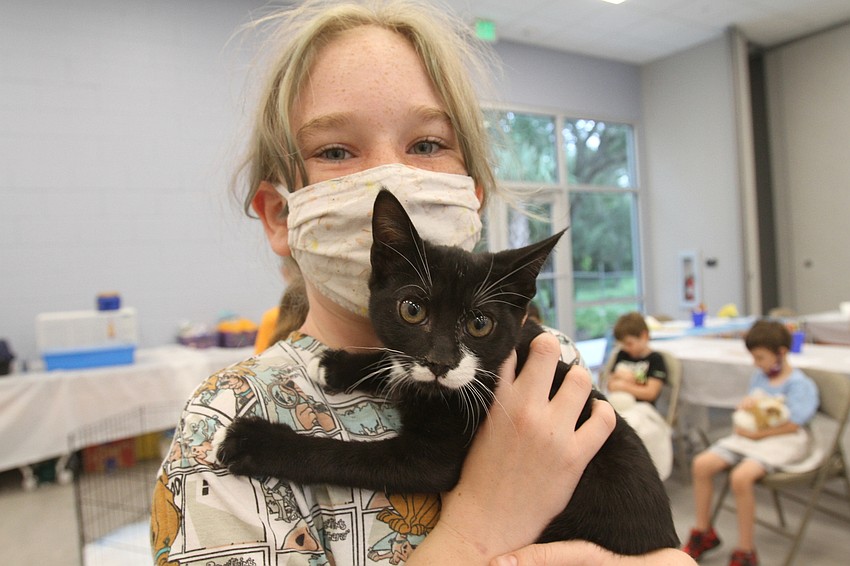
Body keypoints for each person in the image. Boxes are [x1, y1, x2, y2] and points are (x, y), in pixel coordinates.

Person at [150, 2, 695, 564]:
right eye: (335, 150)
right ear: (278, 213)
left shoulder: (544, 363)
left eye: (427, 144)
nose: (392, 174)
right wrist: (475, 533)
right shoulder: (221, 420)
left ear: (474, 191)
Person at [683, 319, 819, 566]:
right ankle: (703, 532)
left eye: (760, 357)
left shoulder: (800, 385)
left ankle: (746, 550)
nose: (756, 364)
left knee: (741, 477)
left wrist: (756, 434)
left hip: (782, 440)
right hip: (752, 437)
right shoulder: (760, 376)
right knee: (702, 464)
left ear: (781, 353)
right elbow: (753, 406)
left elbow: (793, 424)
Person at [603, 312, 673, 480]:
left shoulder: (655, 360)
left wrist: (626, 384)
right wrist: (620, 383)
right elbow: (610, 383)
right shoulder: (622, 355)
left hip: (642, 408)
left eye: (629, 343)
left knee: (629, 428)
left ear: (644, 336)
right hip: (618, 403)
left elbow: (650, 392)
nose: (626, 348)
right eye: (623, 344)